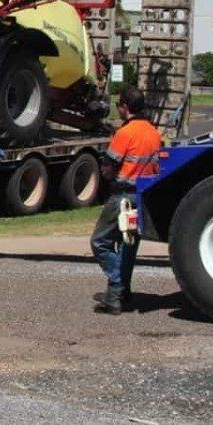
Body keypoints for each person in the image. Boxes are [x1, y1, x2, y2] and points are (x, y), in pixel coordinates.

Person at [91, 86, 163, 314]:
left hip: (122, 196)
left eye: (119, 105)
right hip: (143, 197)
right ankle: (119, 294)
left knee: (100, 241)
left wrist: (107, 174)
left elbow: (109, 166)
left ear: (125, 106)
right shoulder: (154, 132)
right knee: (127, 247)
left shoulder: (125, 133)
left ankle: (117, 286)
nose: (117, 109)